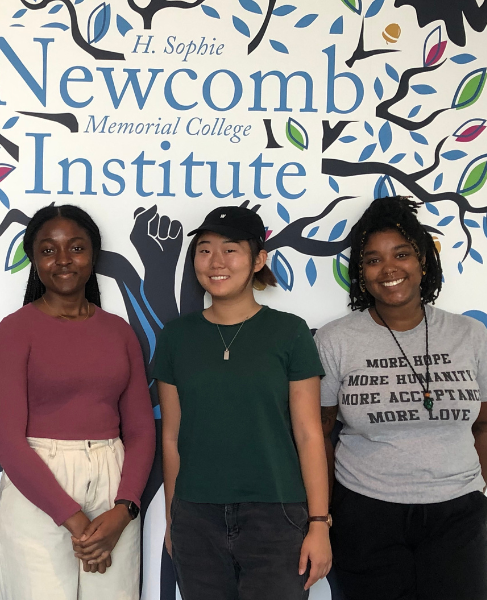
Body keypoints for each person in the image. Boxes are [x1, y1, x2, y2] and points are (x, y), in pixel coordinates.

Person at [154, 205, 333, 600]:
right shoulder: (176, 337)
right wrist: (172, 519)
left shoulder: (289, 332)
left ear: (258, 260)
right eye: (204, 249)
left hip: (276, 515)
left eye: (230, 249)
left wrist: (318, 523)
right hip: (196, 516)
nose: (216, 261)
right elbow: (172, 436)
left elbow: (308, 434)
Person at [316, 196, 487, 600]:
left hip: (459, 514)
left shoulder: (470, 335)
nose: (389, 268)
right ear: (361, 273)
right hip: (365, 512)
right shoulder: (335, 339)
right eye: (373, 260)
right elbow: (320, 431)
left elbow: (483, 422)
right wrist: (325, 515)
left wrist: (475, 489)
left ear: (423, 261)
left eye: (402, 254)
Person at [0, 204, 155, 600]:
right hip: (38, 486)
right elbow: (7, 441)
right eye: (48, 250)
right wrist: (75, 520)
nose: (63, 260)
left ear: (92, 254)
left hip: (114, 485)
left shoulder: (119, 332)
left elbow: (141, 431)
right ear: (34, 259)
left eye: (76, 248)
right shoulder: (14, 331)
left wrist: (124, 510)